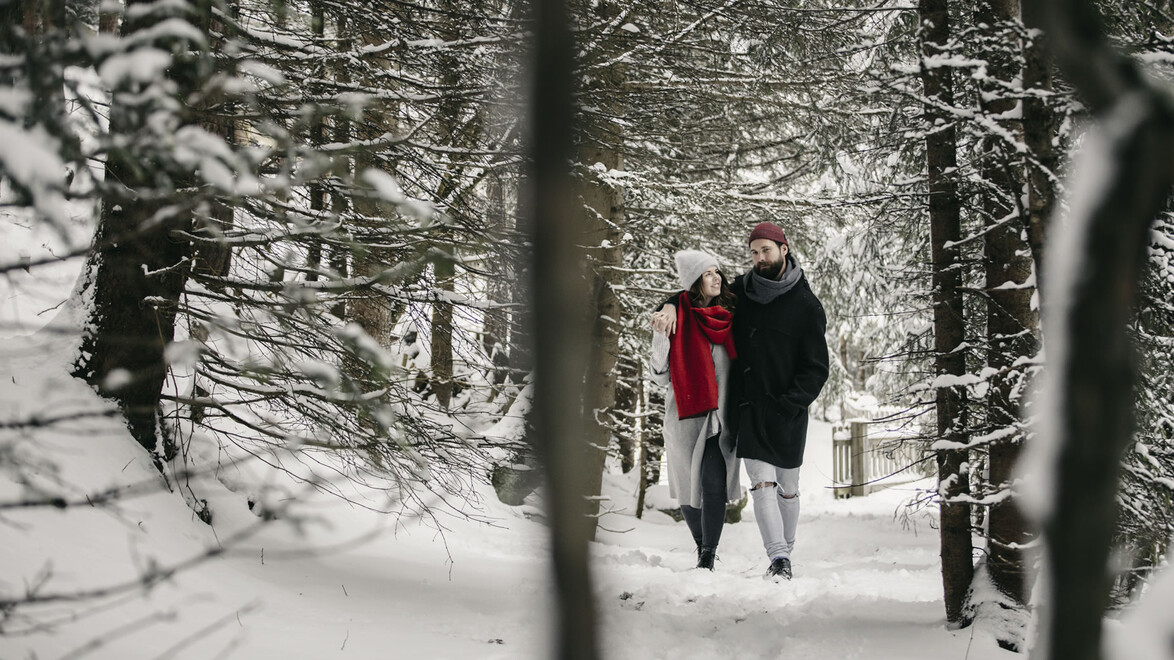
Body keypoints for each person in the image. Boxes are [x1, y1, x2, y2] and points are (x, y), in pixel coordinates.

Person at [652, 222, 829, 580]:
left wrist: (791, 403)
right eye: (754, 252)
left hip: (789, 410)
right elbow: (698, 291)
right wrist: (668, 305)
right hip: (748, 407)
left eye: (766, 250)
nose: (760, 258)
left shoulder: (806, 304)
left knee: (788, 488)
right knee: (761, 483)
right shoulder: (743, 291)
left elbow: (816, 367)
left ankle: (786, 549)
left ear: (784, 248)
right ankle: (778, 557)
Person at [649, 250, 742, 571]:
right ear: (694, 281)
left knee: (713, 484)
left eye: (718, 271)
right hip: (685, 418)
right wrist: (661, 338)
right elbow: (659, 376)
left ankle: (708, 556)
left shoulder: (731, 314)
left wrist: (670, 302)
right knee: (689, 490)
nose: (716, 278)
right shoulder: (673, 319)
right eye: (707, 274)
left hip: (723, 418)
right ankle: (701, 546)